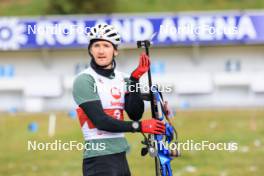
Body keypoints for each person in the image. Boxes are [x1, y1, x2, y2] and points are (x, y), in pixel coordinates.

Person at [72, 24, 165, 176]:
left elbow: (135, 113)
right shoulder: (85, 80)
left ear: (115, 51)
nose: (101, 51)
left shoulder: (124, 78)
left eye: (106, 45)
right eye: (96, 45)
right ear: (90, 50)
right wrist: (140, 126)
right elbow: (101, 121)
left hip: (120, 157)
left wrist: (135, 80)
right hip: (98, 159)